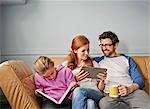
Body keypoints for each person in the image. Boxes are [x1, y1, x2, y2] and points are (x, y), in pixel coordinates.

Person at [94, 31, 150, 109]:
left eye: (107, 45)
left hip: (131, 92)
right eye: (102, 45)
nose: (104, 48)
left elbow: (139, 80)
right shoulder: (97, 61)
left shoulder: (127, 59)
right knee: (104, 104)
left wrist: (129, 89)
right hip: (110, 96)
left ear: (116, 45)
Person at [62, 35, 104, 109]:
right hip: (78, 97)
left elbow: (100, 89)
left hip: (95, 93)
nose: (87, 53)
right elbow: (60, 85)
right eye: (83, 51)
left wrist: (102, 80)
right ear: (75, 50)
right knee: (90, 104)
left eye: (88, 50)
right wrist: (74, 79)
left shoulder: (94, 64)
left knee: (79, 90)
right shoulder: (66, 65)